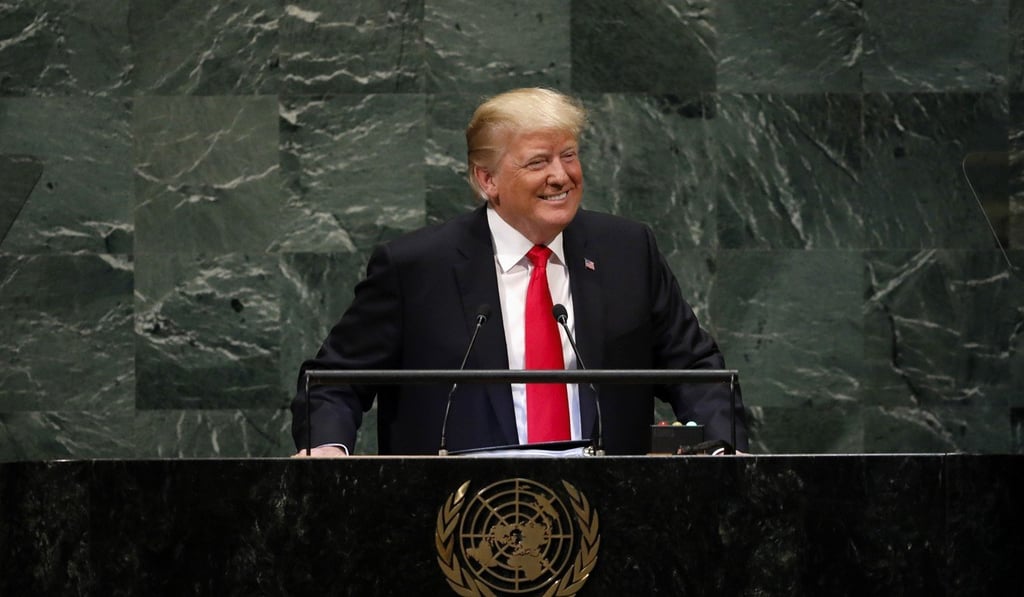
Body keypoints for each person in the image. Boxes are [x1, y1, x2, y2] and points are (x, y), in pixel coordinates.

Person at [292, 87, 748, 456]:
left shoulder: (627, 250)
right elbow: (334, 381)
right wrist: (328, 450)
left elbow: (696, 368)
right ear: (487, 180)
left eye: (568, 155)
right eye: (538, 162)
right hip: (457, 520)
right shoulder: (416, 267)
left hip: (614, 514)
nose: (561, 175)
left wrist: (723, 450)